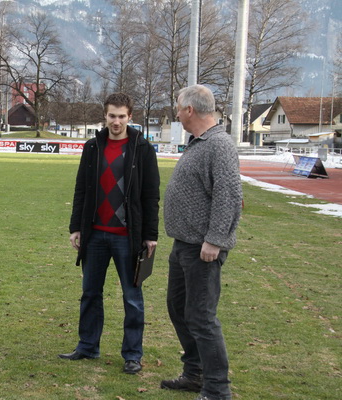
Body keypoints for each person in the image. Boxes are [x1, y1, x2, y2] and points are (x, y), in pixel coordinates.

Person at [59, 93, 160, 374]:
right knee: (90, 294)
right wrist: (76, 227)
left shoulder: (142, 149)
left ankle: (132, 355)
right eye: (112, 116)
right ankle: (87, 346)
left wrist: (150, 234)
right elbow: (81, 189)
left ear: (130, 117)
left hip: (128, 237)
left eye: (121, 116)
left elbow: (151, 195)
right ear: (105, 116)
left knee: (132, 297)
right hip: (95, 236)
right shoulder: (92, 147)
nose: (116, 121)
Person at [160, 85, 243, 400]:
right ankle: (194, 373)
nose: (177, 113)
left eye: (178, 108)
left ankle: (217, 389)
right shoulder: (200, 143)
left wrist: (215, 240)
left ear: (190, 110)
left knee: (201, 317)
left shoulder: (219, 145)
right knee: (179, 309)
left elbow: (229, 196)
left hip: (202, 249)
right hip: (183, 244)